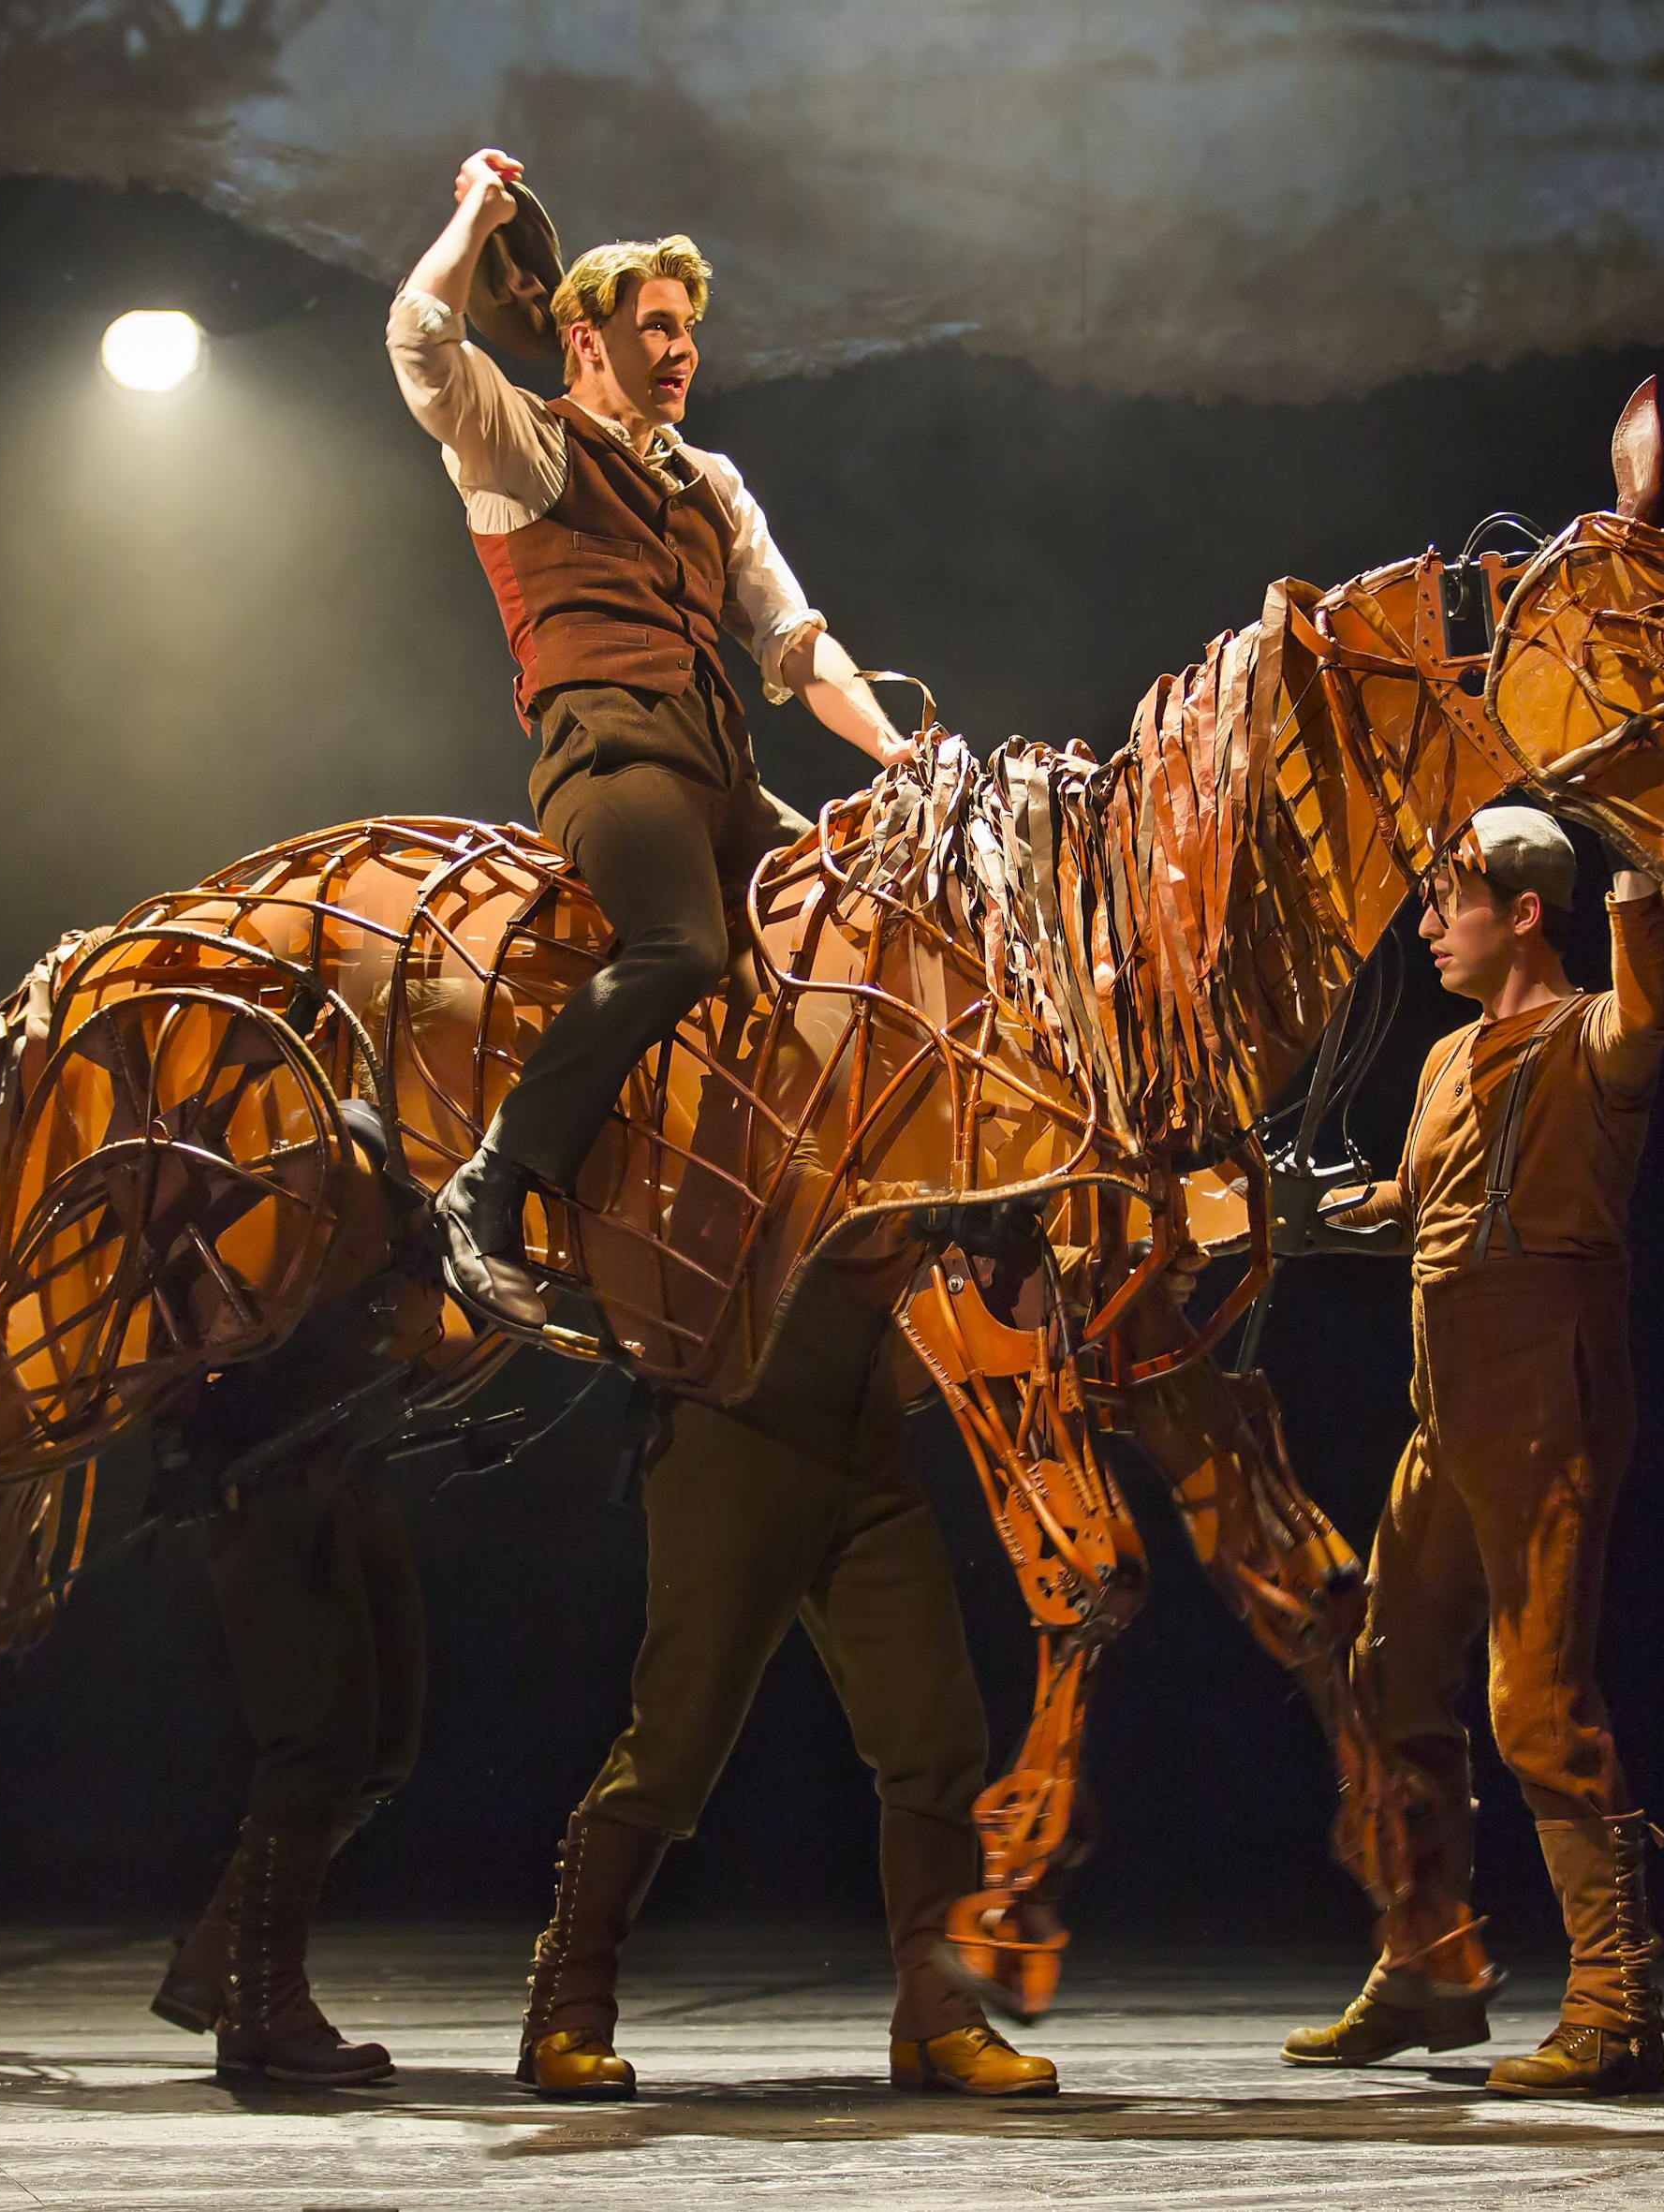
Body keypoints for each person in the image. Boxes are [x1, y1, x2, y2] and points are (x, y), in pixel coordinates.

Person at [383, 147, 916, 1331]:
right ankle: (492, 1181)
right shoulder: (526, 445)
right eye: (658, 327)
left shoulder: (712, 482)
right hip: (609, 759)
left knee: (867, 915)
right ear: (585, 338)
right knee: (681, 944)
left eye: (689, 331)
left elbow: (793, 640)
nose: (683, 351)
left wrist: (892, 751)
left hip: (724, 775)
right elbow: (421, 339)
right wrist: (479, 213)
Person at [1281, 805, 1664, 2098]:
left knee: (1536, 1701)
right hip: (1444, 1403)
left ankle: (1614, 2007)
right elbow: (1421, 1202)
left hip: (1543, 1398)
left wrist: (1628, 853)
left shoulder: (1594, 1034)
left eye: (1445, 899)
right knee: (1386, 1667)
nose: (1423, 924)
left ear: (1521, 911)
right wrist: (1308, 1213)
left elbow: (1649, 1006)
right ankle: (1428, 1961)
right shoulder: (1447, 1056)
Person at [520, 1257, 1058, 2101]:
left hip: (866, 1440)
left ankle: (937, 2014)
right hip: (733, 1423)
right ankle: (566, 2006)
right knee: (678, 1736)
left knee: (935, 1738)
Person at [144, 1224, 434, 2087]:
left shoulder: (383, 1168)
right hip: (267, 1471)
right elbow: (168, 1300)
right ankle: (262, 2009)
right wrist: (176, 1439)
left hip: (351, 1461)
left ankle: (215, 1959)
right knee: (316, 1741)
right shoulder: (240, 1185)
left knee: (381, 1753)